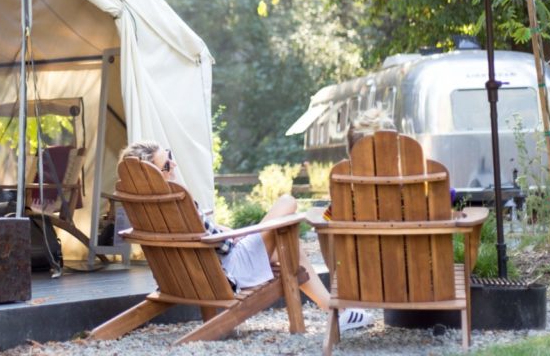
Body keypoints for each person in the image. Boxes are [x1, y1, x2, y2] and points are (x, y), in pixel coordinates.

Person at [119, 141, 374, 332]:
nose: (173, 164)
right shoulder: (177, 198)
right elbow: (212, 241)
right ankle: (334, 311)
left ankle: (334, 310)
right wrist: (236, 237)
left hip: (196, 273)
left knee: (290, 249)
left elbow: (201, 234)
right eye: (166, 163)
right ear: (152, 172)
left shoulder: (148, 205)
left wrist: (227, 234)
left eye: (170, 156)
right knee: (287, 203)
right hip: (228, 270)